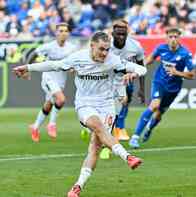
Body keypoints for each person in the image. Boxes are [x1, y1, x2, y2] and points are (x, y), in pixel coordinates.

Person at [13, 31, 145, 197]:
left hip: (106, 106)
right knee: (97, 126)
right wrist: (27, 67)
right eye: (101, 49)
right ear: (92, 45)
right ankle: (128, 157)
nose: (104, 53)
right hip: (85, 104)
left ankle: (77, 186)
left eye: (107, 49)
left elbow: (141, 68)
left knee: (95, 148)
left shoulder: (113, 59)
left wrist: (133, 73)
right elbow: (54, 65)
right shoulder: (78, 58)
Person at [129, 27, 196, 148]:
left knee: (159, 114)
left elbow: (192, 74)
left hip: (173, 88)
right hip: (159, 82)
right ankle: (135, 137)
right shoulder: (161, 48)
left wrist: (178, 73)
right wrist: (137, 68)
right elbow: (150, 59)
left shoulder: (185, 54)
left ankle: (149, 128)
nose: (173, 40)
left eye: (175, 37)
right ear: (166, 38)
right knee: (154, 105)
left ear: (179, 38)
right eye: (170, 37)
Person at [28, 23, 77, 142]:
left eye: (65, 31)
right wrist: (27, 69)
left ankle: (35, 127)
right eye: (60, 31)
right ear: (56, 33)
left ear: (69, 33)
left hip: (61, 80)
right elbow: (33, 54)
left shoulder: (72, 48)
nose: (63, 33)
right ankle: (52, 124)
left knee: (50, 103)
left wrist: (73, 68)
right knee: (61, 99)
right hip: (48, 77)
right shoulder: (49, 46)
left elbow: (73, 63)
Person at [111, 19, 145, 141]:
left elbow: (141, 65)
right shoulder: (106, 45)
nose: (121, 36)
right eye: (118, 33)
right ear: (112, 33)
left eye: (123, 34)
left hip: (126, 77)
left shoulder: (135, 46)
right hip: (108, 78)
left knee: (125, 100)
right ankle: (104, 127)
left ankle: (120, 127)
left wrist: (142, 89)